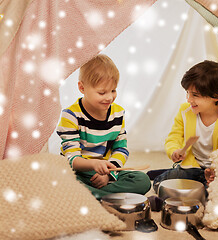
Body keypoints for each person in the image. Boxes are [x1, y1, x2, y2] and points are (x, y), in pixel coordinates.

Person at [56, 54, 151, 199]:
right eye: (102, 92)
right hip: (78, 170)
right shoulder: (71, 115)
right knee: (60, 179)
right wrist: (93, 165)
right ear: (82, 87)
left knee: (142, 181)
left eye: (113, 90)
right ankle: (104, 198)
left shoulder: (118, 113)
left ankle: (92, 197)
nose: (109, 97)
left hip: (106, 171)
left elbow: (121, 149)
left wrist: (110, 174)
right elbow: (72, 158)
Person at [153, 60, 218, 193]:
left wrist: (215, 171)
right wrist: (174, 150)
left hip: (214, 172)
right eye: (187, 93)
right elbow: (174, 136)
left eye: (195, 95)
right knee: (160, 184)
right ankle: (172, 173)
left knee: (211, 195)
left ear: (217, 95)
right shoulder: (185, 111)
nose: (189, 99)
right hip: (191, 166)